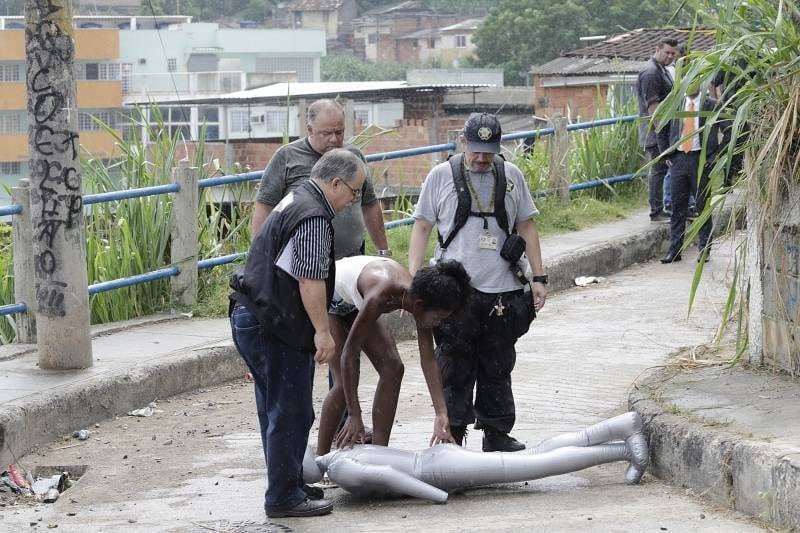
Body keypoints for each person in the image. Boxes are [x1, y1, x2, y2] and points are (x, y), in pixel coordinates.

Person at [228, 148, 366, 518]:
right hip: (272, 324)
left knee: (275, 409)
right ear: (335, 183)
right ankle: (283, 497)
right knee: (290, 411)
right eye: (354, 192)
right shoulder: (314, 217)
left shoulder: (298, 197)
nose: (354, 200)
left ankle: (286, 482)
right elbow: (310, 279)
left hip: (256, 315)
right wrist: (323, 331)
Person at [408, 112, 547, 453]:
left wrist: (539, 277)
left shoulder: (512, 176)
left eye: (489, 151)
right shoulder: (440, 177)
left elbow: (527, 225)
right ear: (462, 142)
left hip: (503, 289)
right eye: (476, 150)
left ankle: (497, 432)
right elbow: (422, 226)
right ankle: (452, 434)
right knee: (453, 364)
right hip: (455, 293)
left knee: (498, 363)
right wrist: (413, 281)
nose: (482, 158)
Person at [304, 412, 649, 502]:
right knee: (534, 456)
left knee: (533, 464)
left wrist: (437, 496)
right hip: (439, 461)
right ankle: (618, 429)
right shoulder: (340, 454)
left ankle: (620, 448)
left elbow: (389, 478)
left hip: (439, 471)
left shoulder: (342, 469)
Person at [317, 257, 472, 455]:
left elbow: (428, 359)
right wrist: (354, 414)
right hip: (332, 294)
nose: (437, 323)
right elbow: (349, 353)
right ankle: (320, 462)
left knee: (393, 368)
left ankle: (380, 453)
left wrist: (441, 413)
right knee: (342, 385)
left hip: (360, 298)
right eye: (437, 318)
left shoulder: (422, 298)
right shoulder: (381, 295)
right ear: (418, 304)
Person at [252, 98, 389, 259]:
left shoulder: (354, 156)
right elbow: (265, 207)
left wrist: (384, 252)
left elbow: (370, 204)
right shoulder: (286, 157)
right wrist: (259, 257)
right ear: (310, 129)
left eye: (339, 132)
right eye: (326, 133)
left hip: (352, 257)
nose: (334, 139)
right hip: (302, 260)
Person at [657, 83, 722, 264]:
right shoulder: (674, 104)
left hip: (700, 160)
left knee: (702, 206)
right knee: (677, 207)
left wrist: (716, 155)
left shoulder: (711, 104)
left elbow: (729, 127)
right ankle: (675, 251)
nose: (691, 84)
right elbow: (660, 127)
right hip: (678, 159)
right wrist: (666, 153)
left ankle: (704, 250)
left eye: (695, 79)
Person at [637, 37, 679, 222]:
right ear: (657, 49)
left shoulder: (661, 69)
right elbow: (653, 107)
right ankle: (656, 211)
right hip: (655, 132)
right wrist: (662, 136)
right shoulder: (651, 73)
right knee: (658, 170)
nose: (670, 56)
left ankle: (661, 208)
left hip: (664, 130)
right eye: (667, 52)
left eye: (673, 53)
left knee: (661, 170)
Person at [662, 44, 698, 218]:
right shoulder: (672, 72)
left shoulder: (690, 70)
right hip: (678, 128)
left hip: (691, 133)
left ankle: (689, 202)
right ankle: (669, 201)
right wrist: (666, 151)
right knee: (672, 171)